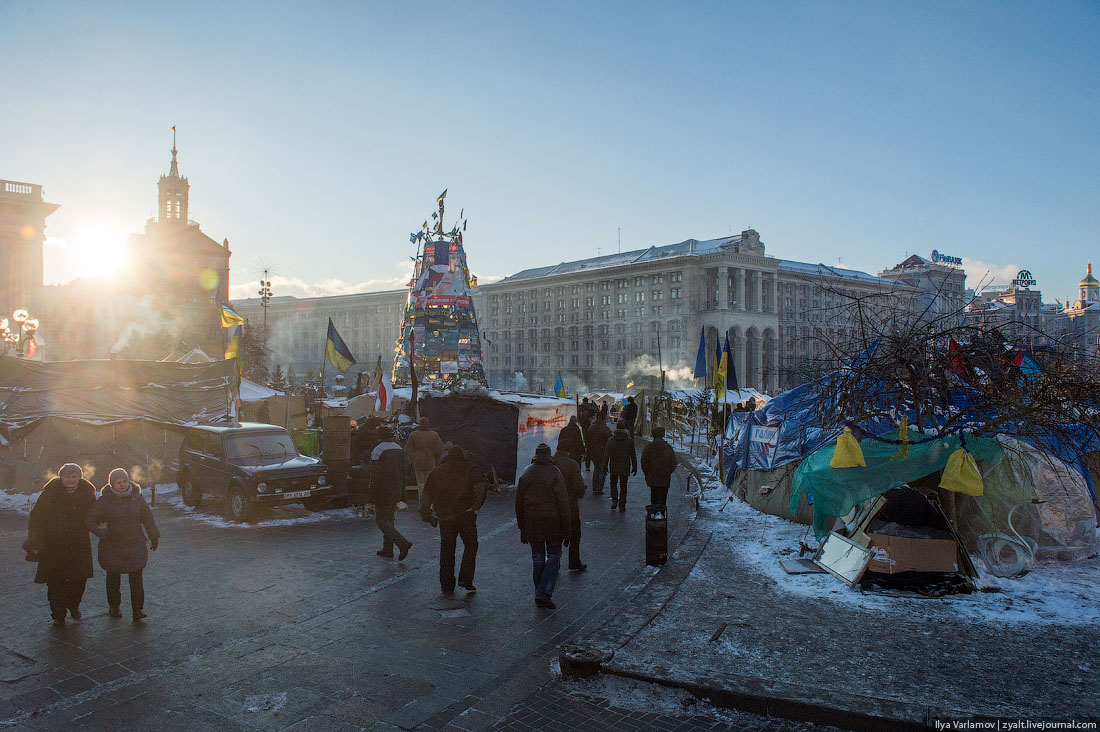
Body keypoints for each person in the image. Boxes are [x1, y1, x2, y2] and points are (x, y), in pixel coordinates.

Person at [25, 464, 96, 626]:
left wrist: (105, 525)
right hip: (53, 545)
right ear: (61, 477)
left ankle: (73, 604)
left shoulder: (87, 493)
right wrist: (35, 541)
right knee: (55, 581)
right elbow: (37, 518)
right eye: (67, 476)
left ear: (79, 477)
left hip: (79, 545)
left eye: (74, 476)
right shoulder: (49, 494)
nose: (70, 480)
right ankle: (58, 613)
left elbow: (97, 513)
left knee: (79, 579)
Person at [85, 468, 159, 621]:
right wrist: (101, 532)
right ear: (112, 484)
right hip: (112, 546)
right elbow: (89, 520)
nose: (122, 485)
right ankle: (114, 606)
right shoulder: (105, 500)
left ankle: (138, 610)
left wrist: (154, 535)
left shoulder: (136, 497)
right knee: (113, 578)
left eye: (124, 481)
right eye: (118, 482)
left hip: (134, 544)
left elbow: (147, 517)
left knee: (136, 579)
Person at [421, 446, 484, 595]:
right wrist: (476, 505)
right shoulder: (470, 468)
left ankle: (447, 584)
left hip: (445, 517)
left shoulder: (437, 471)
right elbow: (480, 486)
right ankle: (466, 579)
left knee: (447, 549)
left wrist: (426, 514)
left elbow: (426, 494)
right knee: (471, 545)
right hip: (466, 514)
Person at [515, 443, 571, 609]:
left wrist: (522, 529)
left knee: (538, 558)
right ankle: (544, 592)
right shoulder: (555, 473)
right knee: (553, 556)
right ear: (549, 455)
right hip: (553, 524)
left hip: (532, 524)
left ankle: (539, 591)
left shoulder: (526, 473)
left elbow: (519, 504)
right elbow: (563, 503)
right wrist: (567, 530)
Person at [370, 428, 415, 560]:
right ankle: (388, 549)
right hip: (396, 488)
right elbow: (404, 470)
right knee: (389, 519)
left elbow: (375, 475)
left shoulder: (378, 450)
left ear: (379, 437)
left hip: (383, 490)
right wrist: (402, 492)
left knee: (381, 520)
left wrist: (371, 494)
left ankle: (402, 543)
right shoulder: (399, 449)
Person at [552, 445, 586, 572]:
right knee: (575, 534)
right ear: (567, 451)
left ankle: (554, 563)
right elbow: (579, 489)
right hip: (570, 506)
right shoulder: (572, 464)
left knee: (555, 536)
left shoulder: (551, 463)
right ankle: (574, 561)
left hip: (554, 506)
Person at [404, 417, 446, 502]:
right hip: (430, 462)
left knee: (420, 484)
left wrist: (413, 458)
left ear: (419, 423)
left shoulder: (413, 434)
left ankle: (421, 503)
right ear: (428, 423)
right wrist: (435, 456)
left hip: (418, 462)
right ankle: (428, 504)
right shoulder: (434, 435)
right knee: (429, 484)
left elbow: (407, 449)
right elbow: (441, 448)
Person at [603, 421, 637, 512]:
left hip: (614, 465)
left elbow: (606, 454)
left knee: (613, 483)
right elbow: (633, 455)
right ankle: (622, 504)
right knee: (623, 486)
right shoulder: (629, 440)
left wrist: (605, 465)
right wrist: (635, 466)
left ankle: (614, 500)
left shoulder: (611, 440)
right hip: (625, 466)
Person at [640, 426, 678, 507]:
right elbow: (674, 462)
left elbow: (644, 462)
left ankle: (654, 512)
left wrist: (647, 472)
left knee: (654, 495)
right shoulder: (668, 448)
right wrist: (668, 471)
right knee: (663, 498)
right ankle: (661, 513)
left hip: (652, 477)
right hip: (664, 476)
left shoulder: (648, 448)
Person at [585, 414, 612, 496]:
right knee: (602, 469)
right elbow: (610, 440)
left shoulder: (591, 428)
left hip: (592, 452)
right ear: (603, 419)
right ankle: (599, 488)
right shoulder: (605, 429)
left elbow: (587, 440)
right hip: (603, 452)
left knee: (596, 468)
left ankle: (594, 487)